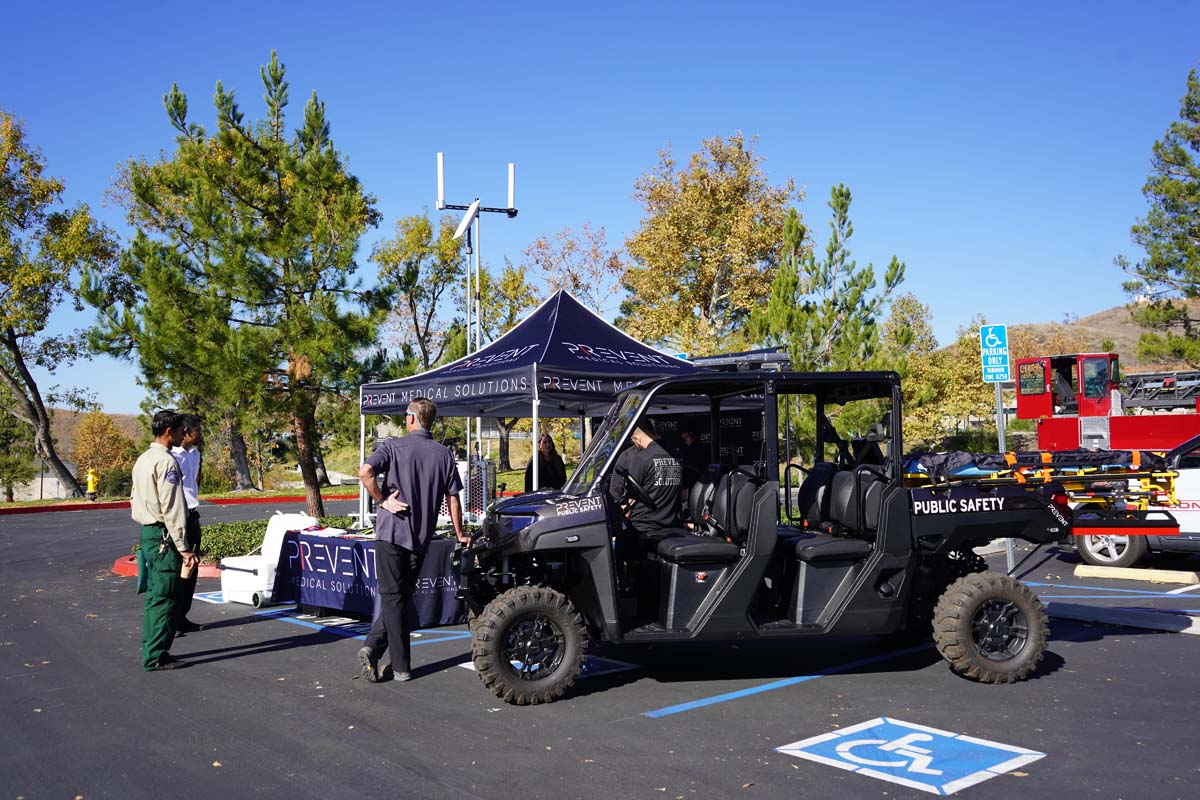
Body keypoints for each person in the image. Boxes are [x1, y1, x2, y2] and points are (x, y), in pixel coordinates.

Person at [356, 398, 467, 683]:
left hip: (392, 534)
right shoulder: (444, 454)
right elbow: (454, 498)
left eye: (406, 415)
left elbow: (365, 473)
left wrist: (381, 500)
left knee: (393, 599)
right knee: (401, 599)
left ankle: (400, 666)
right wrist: (459, 533)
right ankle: (373, 647)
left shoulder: (393, 446)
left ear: (412, 418)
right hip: (420, 539)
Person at [130, 409, 194, 671]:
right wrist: (184, 547)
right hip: (164, 536)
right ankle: (154, 656)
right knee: (165, 596)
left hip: (149, 532)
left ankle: (157, 649)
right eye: (180, 431)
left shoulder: (143, 459)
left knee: (157, 595)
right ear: (170, 431)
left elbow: (134, 497)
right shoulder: (167, 463)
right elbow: (173, 508)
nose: (183, 435)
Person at [170, 414, 204, 635]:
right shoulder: (171, 457)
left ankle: (182, 616)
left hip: (193, 515)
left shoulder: (195, 454)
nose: (199, 433)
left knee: (192, 568)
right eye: (197, 429)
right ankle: (170, 620)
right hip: (177, 517)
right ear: (186, 431)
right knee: (174, 571)